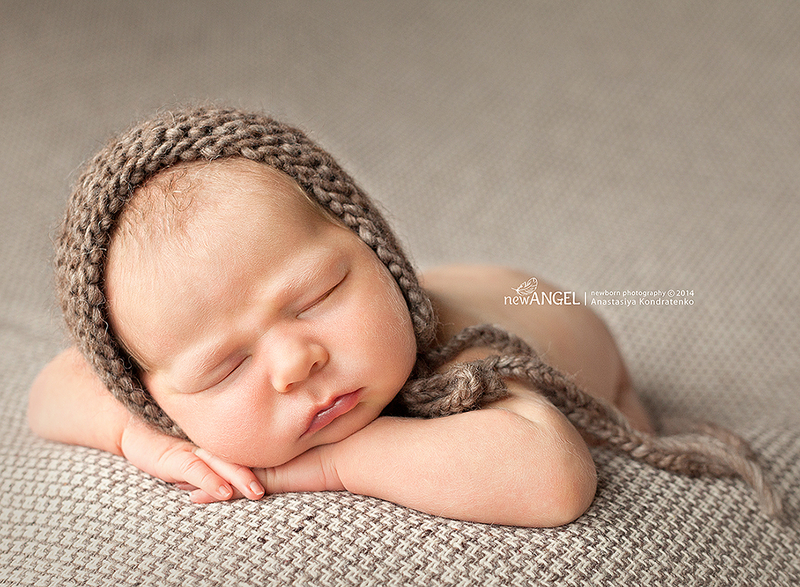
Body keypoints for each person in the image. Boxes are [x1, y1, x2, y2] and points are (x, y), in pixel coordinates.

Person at [27, 106, 776, 528]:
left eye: (319, 294)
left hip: (547, 315)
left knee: (632, 447)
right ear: (152, 393)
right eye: (226, 367)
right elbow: (50, 390)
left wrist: (331, 464)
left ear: (376, 250)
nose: (295, 362)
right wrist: (140, 438)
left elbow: (550, 479)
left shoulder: (455, 357)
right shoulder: (151, 393)